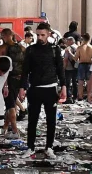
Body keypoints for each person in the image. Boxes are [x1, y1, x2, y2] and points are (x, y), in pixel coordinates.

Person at [18, 22, 66, 159]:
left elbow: (60, 70)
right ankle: (30, 147)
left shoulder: (55, 49)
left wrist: (63, 87)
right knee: (32, 120)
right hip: (34, 89)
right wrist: (22, 87)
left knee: (51, 120)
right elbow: (25, 71)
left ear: (49, 34)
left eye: (42, 35)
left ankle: (49, 147)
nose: (39, 37)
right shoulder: (31, 50)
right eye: (38, 35)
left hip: (50, 89)